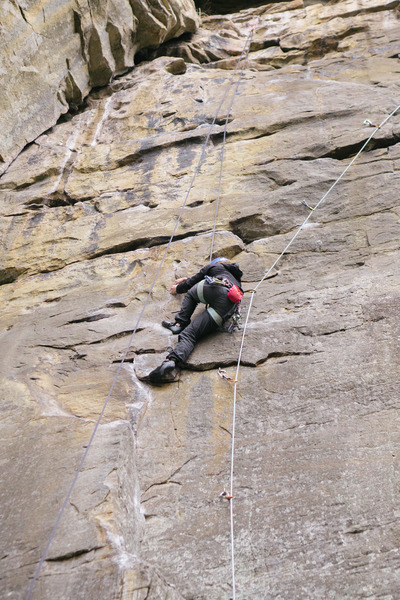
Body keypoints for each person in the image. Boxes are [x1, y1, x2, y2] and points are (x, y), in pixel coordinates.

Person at [149, 257, 243, 383]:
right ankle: (173, 360)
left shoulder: (216, 266)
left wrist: (178, 289)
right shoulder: (237, 281)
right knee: (191, 335)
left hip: (214, 287)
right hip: (228, 304)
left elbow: (193, 282)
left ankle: (180, 324)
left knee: (192, 294)